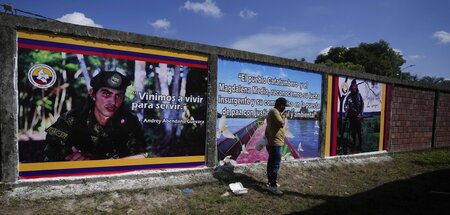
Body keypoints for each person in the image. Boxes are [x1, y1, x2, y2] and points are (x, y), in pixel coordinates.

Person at [44, 71, 146, 161]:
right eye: (106, 94)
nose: (113, 102)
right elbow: (51, 149)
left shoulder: (130, 121)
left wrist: (96, 160)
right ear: (92, 94)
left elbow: (140, 156)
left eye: (119, 95)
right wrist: (73, 155)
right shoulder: (72, 119)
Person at [264, 97, 288, 195]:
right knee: (275, 165)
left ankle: (270, 182)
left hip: (273, 142)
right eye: (284, 106)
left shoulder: (272, 112)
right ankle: (273, 186)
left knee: (271, 163)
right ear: (279, 104)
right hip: (276, 143)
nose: (284, 108)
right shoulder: (274, 111)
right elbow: (281, 123)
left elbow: (268, 126)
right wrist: (284, 117)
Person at [344, 79, 364, 152]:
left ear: (356, 87)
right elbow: (345, 105)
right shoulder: (349, 96)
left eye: (355, 86)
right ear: (351, 87)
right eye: (352, 86)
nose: (354, 88)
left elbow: (362, 105)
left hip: (358, 117)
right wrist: (346, 108)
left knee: (359, 133)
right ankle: (354, 145)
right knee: (353, 132)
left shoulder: (359, 95)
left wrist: (361, 114)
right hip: (352, 118)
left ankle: (360, 146)